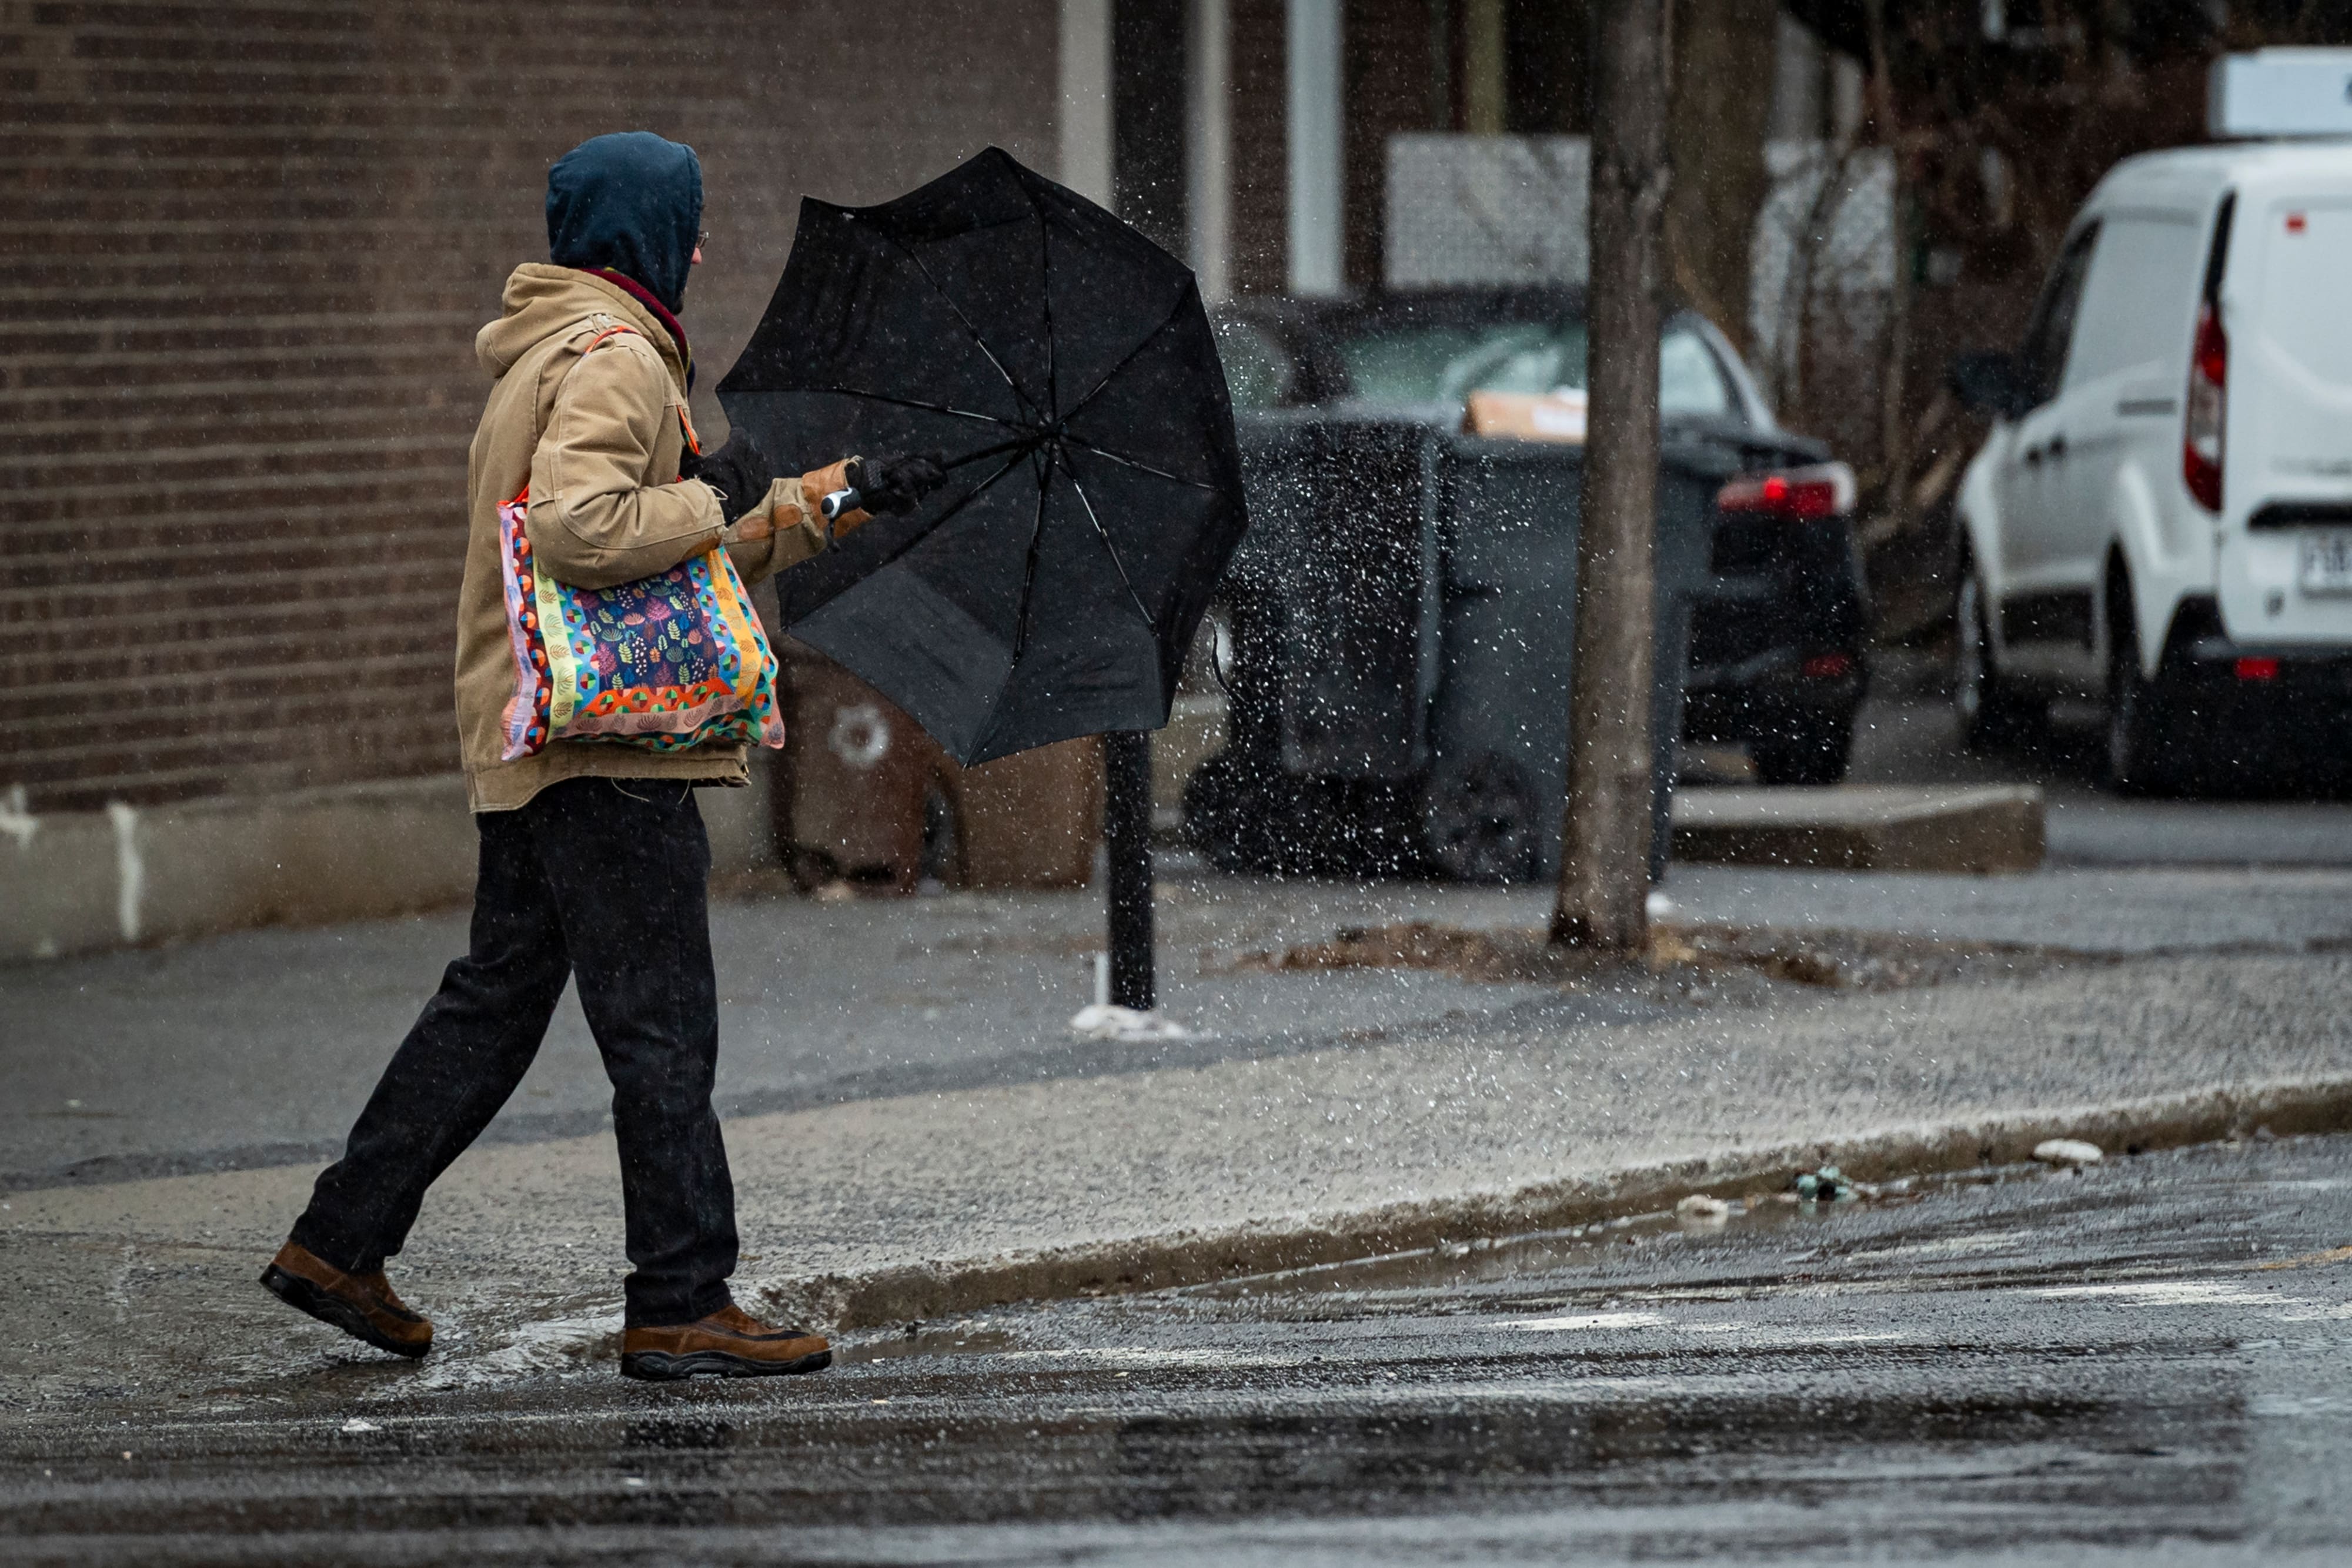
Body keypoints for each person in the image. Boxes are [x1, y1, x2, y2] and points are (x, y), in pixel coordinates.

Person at [258, 131, 944, 1381]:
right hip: (609, 749)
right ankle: (681, 1297)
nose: (694, 250)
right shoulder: (619, 357)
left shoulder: (550, 353)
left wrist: (836, 492)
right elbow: (586, 533)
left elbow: (663, 569)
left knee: (497, 1001)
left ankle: (338, 1240)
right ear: (640, 236)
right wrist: (715, 482)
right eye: (682, 227)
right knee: (661, 1026)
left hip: (542, 732)